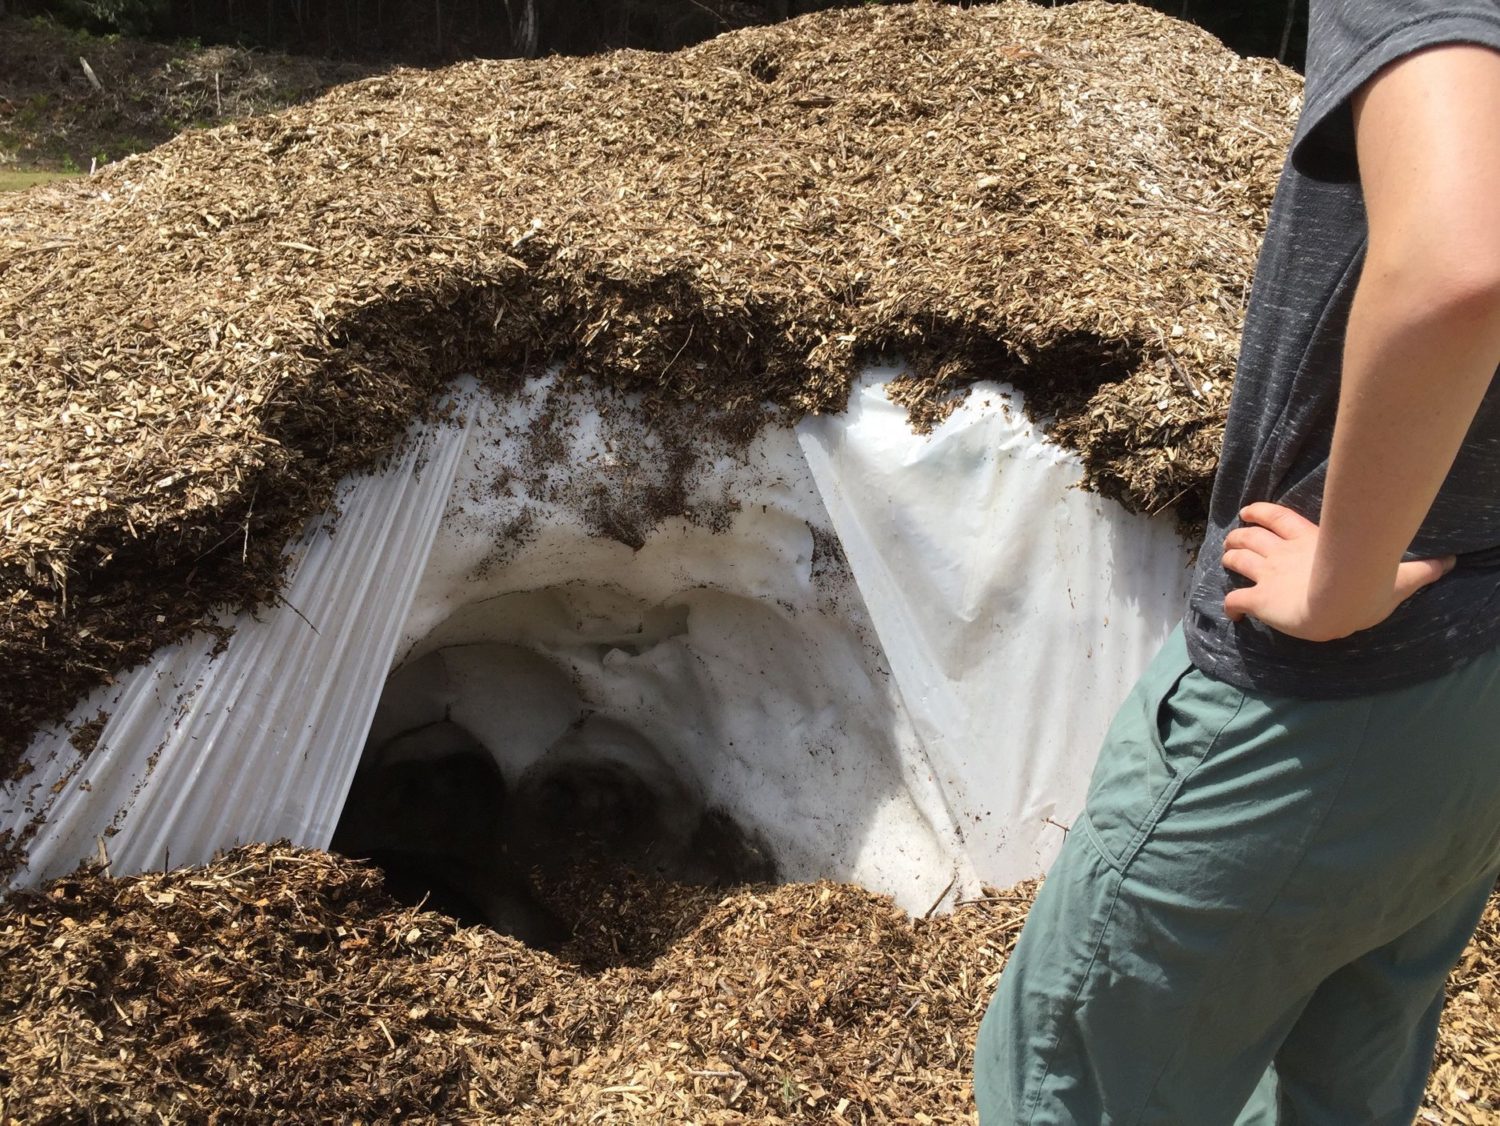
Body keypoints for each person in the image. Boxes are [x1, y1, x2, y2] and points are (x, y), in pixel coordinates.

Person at [972, 1, 1500, 1122]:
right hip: (1474, 686)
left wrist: (1348, 572)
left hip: (1325, 691)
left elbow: (1465, 264)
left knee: (1069, 1089)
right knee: (1338, 1081)